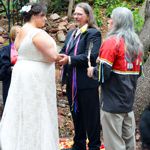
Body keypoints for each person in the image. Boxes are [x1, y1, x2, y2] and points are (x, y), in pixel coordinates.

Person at [0, 3, 60, 150]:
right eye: (43, 16)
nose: (45, 19)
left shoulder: (21, 32)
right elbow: (52, 56)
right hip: (34, 78)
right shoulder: (36, 33)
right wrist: (61, 58)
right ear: (35, 16)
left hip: (22, 75)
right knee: (36, 111)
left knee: (23, 110)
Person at [87, 7, 143, 150]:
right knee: (129, 144)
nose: (109, 21)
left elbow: (102, 74)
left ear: (117, 22)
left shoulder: (112, 42)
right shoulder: (137, 45)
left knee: (114, 145)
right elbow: (138, 73)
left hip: (112, 105)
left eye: (111, 18)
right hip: (128, 105)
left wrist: (92, 71)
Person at [58, 2, 102, 150]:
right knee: (76, 115)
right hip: (71, 82)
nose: (76, 16)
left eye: (79, 14)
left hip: (86, 84)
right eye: (75, 13)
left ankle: (94, 145)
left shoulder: (93, 33)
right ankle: (79, 144)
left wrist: (69, 59)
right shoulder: (71, 33)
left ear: (88, 16)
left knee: (91, 118)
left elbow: (91, 56)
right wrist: (58, 57)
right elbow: (65, 50)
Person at [0, 25, 21, 106]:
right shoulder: (6, 50)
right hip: (10, 81)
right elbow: (3, 68)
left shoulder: (26, 49)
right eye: (18, 33)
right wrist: (11, 69)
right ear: (13, 35)